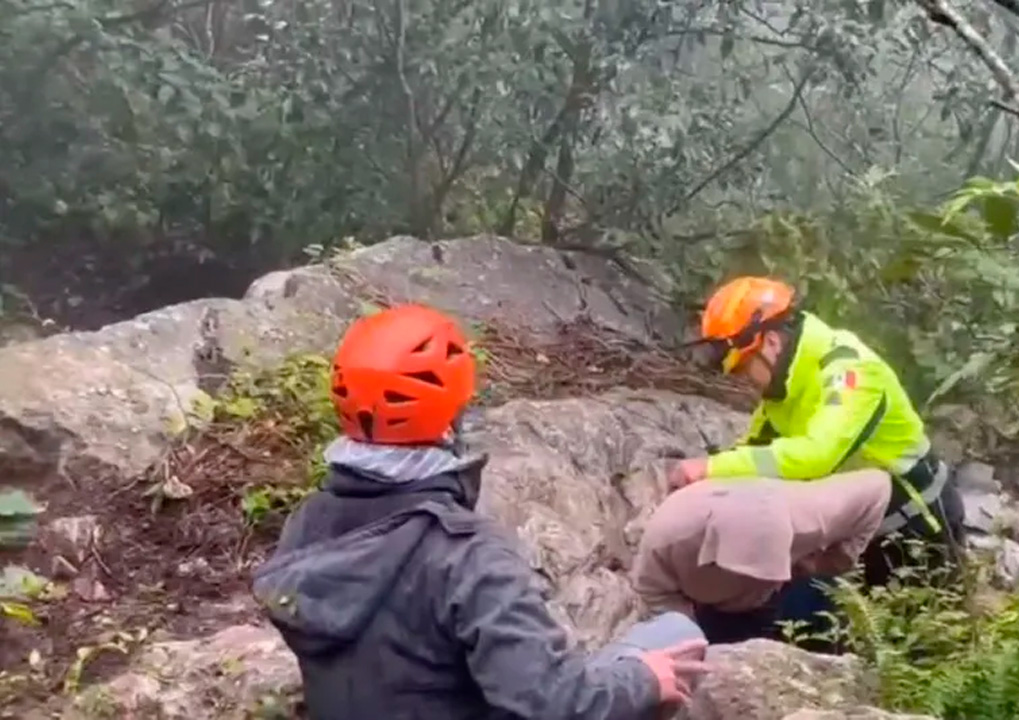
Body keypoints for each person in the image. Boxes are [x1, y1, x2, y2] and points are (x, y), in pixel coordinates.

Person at [251, 303, 710, 720]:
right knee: (673, 633)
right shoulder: (465, 553)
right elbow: (552, 703)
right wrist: (644, 679)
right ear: (453, 413)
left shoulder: (308, 521)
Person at [673, 276, 967, 591]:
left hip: (919, 530)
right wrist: (705, 483)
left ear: (771, 343)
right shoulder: (784, 389)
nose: (742, 380)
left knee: (915, 632)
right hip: (859, 534)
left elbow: (818, 454)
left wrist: (710, 469)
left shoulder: (850, 370)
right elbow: (756, 448)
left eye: (744, 368)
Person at [631, 471, 892, 654]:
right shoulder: (667, 541)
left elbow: (879, 486)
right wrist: (689, 640)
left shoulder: (815, 513)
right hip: (705, 605)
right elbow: (655, 598)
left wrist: (835, 561)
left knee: (816, 595)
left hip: (791, 582)